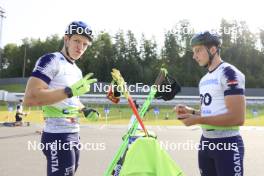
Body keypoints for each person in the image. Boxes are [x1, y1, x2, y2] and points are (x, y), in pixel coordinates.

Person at [24, 21, 98, 176]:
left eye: (85, 44)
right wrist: (69, 91)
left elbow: (71, 99)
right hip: (57, 135)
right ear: (66, 39)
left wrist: (84, 109)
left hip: (73, 132)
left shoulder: (76, 70)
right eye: (77, 41)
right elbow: (30, 97)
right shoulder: (51, 60)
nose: (80, 47)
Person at [175, 31, 245, 176]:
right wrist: (192, 112)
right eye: (194, 52)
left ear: (213, 49)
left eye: (198, 50)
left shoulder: (229, 73)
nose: (194, 56)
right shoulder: (204, 79)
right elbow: (211, 113)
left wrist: (198, 120)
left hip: (228, 143)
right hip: (206, 142)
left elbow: (237, 118)